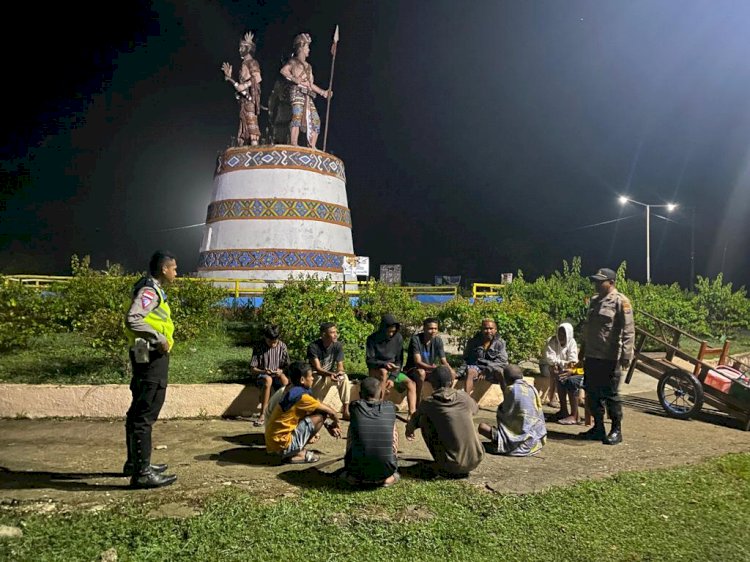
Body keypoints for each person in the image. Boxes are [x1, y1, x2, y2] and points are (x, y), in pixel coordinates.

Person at [123, 251, 179, 489]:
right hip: (151, 355)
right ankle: (142, 473)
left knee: (139, 409)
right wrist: (158, 338)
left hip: (143, 352)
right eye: (174, 268)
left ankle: (136, 463)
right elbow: (133, 318)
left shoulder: (151, 288)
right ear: (164, 269)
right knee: (145, 411)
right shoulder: (149, 290)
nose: (176, 272)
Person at [580, 268, 635, 445]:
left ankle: (616, 430)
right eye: (595, 281)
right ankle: (598, 428)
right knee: (592, 392)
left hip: (609, 357)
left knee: (611, 395)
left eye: (600, 281)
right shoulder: (594, 301)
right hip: (592, 355)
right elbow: (588, 329)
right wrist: (583, 350)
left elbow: (628, 330)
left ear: (611, 282)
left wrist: (626, 355)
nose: (596, 284)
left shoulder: (621, 301)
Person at [405, 366, 484, 477]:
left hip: (451, 465)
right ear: (451, 382)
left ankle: (443, 462)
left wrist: (409, 430)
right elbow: (475, 409)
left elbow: (413, 422)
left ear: (432, 384)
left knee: (424, 420)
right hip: (476, 459)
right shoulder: (464, 397)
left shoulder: (429, 402)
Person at [265, 361, 342, 463]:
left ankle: (292, 451)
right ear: (302, 380)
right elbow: (331, 412)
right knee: (320, 415)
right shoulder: (301, 397)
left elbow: (309, 411)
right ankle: (298, 453)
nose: (313, 378)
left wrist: (328, 425)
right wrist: (337, 424)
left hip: (272, 443)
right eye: (310, 376)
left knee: (317, 413)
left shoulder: (291, 391)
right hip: (281, 444)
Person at [343, 377, 400, 487]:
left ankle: (353, 476)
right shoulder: (390, 407)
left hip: (355, 471)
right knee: (392, 424)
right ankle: (388, 478)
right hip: (386, 470)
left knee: (353, 425)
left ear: (360, 394)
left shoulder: (355, 407)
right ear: (381, 393)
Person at [478, 364, 547, 456]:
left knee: (482, 427)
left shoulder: (511, 390)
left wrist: (501, 380)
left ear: (507, 379)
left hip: (515, 442)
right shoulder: (532, 389)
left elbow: (507, 393)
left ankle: (506, 445)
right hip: (534, 442)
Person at [280, 33, 331, 149]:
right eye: (307, 47)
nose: (308, 50)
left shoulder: (309, 67)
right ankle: (294, 143)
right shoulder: (293, 62)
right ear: (301, 48)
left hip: (308, 96)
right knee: (297, 116)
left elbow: (311, 84)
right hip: (297, 93)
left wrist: (323, 92)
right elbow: (283, 71)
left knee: (316, 120)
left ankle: (312, 145)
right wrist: (295, 79)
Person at [366, 314, 417, 418]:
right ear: (382, 328)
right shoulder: (372, 339)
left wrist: (393, 378)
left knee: (411, 384)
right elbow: (369, 360)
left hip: (393, 372)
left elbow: (399, 361)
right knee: (383, 373)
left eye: (393, 331)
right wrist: (384, 364)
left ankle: (412, 414)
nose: (391, 334)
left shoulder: (398, 338)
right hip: (376, 370)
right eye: (388, 331)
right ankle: (379, 407)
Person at [221, 31, 262, 146]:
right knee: (243, 128)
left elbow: (257, 78)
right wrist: (230, 78)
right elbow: (239, 87)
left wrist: (244, 86)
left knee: (252, 127)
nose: (239, 50)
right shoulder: (244, 64)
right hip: (244, 100)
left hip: (249, 100)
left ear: (248, 48)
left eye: (241, 47)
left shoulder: (252, 62)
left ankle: (254, 152)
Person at [307, 322, 352, 420]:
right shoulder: (313, 347)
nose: (336, 335)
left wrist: (339, 372)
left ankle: (345, 411)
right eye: (332, 332)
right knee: (319, 378)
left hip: (330, 375)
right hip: (315, 376)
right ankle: (315, 410)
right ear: (323, 334)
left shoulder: (337, 346)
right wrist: (332, 374)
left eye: (336, 332)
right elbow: (318, 369)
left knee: (344, 378)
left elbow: (340, 365)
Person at [404, 318, 452, 408]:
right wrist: (433, 368)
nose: (433, 331)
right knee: (421, 372)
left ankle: (445, 401)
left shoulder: (438, 340)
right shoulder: (416, 339)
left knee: (448, 373)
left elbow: (443, 360)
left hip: (430, 369)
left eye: (435, 328)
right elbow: (417, 362)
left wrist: (449, 369)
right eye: (430, 328)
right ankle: (418, 403)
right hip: (413, 369)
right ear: (424, 328)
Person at [250, 325, 290, 427]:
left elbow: (287, 366)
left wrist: (281, 371)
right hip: (262, 375)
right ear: (265, 338)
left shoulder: (282, 346)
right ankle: (263, 414)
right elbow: (252, 369)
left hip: (277, 374)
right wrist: (264, 371)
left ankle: (285, 412)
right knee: (268, 380)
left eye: (275, 342)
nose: (272, 344)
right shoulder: (259, 346)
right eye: (270, 341)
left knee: (286, 382)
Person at [457, 319, 509, 397]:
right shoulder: (473, 342)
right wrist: (459, 373)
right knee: (470, 371)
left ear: (495, 330)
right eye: (485, 328)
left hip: (492, 369)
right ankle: (467, 401)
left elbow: (502, 361)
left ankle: (506, 400)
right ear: (481, 330)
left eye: (491, 329)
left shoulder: (500, 343)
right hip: (478, 368)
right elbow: (466, 359)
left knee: (500, 372)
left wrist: (487, 370)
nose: (488, 331)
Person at [536, 322, 579, 409]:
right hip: (547, 366)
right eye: (559, 333)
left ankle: (578, 399)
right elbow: (550, 359)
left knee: (573, 373)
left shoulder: (572, 342)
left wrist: (564, 364)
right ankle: (552, 398)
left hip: (563, 366)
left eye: (564, 333)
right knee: (554, 370)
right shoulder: (551, 340)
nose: (561, 336)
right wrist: (562, 363)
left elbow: (573, 359)